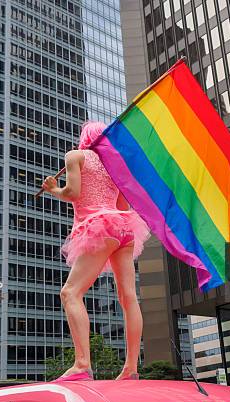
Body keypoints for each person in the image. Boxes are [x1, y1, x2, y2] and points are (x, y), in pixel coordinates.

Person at [42, 122, 150, 381]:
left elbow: (73, 192)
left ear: (84, 138)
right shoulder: (115, 166)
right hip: (124, 227)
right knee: (128, 297)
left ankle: (82, 364)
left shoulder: (75, 156)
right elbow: (122, 205)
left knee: (70, 292)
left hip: (99, 226)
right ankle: (131, 368)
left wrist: (52, 189)